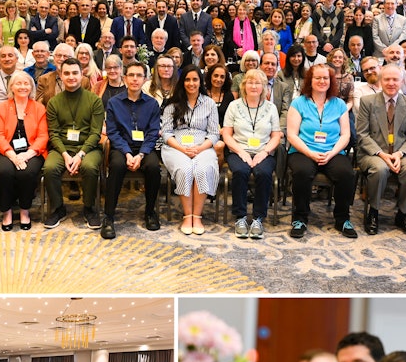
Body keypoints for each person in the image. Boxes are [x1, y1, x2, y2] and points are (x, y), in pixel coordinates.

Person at [285, 64, 356, 239]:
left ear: (331, 81)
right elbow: (292, 135)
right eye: (318, 77)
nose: (322, 81)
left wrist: (331, 153)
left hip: (333, 151)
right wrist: (310, 153)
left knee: (346, 173)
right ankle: (299, 218)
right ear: (310, 80)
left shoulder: (339, 104)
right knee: (302, 172)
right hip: (303, 150)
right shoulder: (298, 103)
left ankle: (342, 219)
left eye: (326, 78)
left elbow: (345, 135)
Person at [356, 64, 406, 237]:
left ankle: (402, 214)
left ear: (402, 81)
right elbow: (362, 134)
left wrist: (399, 154)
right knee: (380, 169)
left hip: (401, 152)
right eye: (387, 79)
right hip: (373, 152)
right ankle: (374, 212)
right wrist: (382, 154)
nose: (391, 83)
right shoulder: (367, 102)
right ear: (380, 80)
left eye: (395, 79)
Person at [100, 62, 162, 239]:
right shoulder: (114, 103)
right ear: (125, 78)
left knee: (153, 167)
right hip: (121, 147)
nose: (135, 79)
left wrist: (141, 154)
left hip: (145, 147)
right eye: (131, 75)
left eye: (139, 76)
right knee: (117, 165)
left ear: (145, 79)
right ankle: (109, 216)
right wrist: (128, 154)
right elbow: (113, 132)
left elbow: (152, 133)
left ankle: (150, 212)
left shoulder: (152, 104)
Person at [42, 57, 105, 229]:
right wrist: (64, 154)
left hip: (88, 147)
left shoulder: (94, 100)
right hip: (61, 147)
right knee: (49, 168)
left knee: (90, 167)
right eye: (67, 73)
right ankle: (58, 208)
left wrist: (80, 155)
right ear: (61, 76)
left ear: (81, 74)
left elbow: (95, 133)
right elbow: (53, 133)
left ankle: (89, 208)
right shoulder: (54, 102)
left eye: (75, 73)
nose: (71, 77)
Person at [220, 68, 282, 239]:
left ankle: (258, 218)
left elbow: (276, 135)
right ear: (244, 85)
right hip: (237, 150)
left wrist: (265, 152)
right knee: (240, 171)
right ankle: (240, 217)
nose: (254, 86)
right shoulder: (234, 105)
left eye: (258, 83)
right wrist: (240, 152)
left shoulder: (271, 108)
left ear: (264, 87)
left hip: (264, 151)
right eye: (250, 82)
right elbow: (226, 133)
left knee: (263, 173)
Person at [161, 65, 221, 235]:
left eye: (195, 79)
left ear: (200, 82)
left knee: (203, 169)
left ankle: (197, 216)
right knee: (185, 169)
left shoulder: (209, 103)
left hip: (202, 147)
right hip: (176, 147)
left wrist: (200, 148)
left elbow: (214, 133)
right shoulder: (172, 104)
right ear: (182, 82)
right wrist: (182, 149)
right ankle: (187, 216)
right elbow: (166, 133)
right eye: (187, 79)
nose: (191, 83)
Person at [0, 71, 48, 231]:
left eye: (26, 83)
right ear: (11, 87)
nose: (22, 87)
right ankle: (6, 212)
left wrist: (27, 155)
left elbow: (43, 137)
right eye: (18, 83)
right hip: (3, 151)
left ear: (31, 87)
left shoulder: (39, 108)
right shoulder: (1, 107)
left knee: (26, 173)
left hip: (31, 151)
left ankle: (24, 211)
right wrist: (13, 156)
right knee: (3, 172)